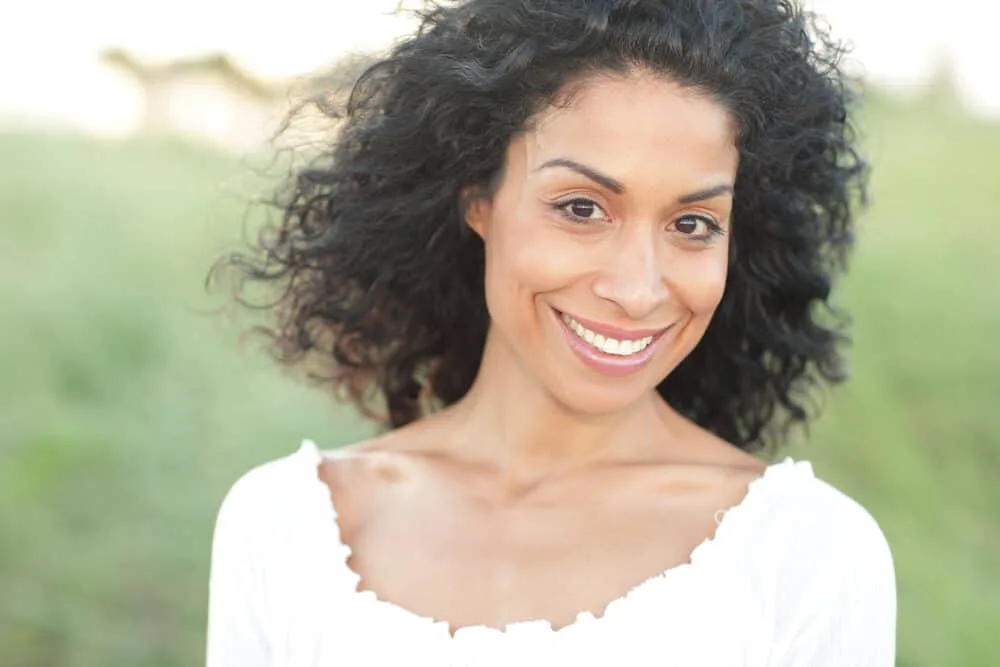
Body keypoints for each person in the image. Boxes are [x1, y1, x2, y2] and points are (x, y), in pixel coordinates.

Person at [205, 0, 896, 665]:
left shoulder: (805, 554)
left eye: (692, 224)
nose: (637, 288)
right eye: (581, 208)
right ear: (478, 195)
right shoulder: (287, 527)